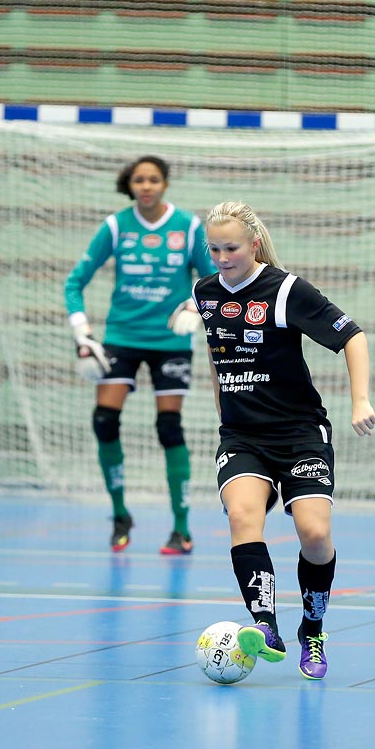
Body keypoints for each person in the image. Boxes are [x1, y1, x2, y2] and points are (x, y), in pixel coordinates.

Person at [193, 201, 375, 681]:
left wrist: (360, 401)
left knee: (315, 536)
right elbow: (217, 357)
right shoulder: (205, 293)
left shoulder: (286, 290)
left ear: (253, 244)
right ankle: (265, 626)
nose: (221, 257)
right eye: (213, 249)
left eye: (230, 247)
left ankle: (311, 629)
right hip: (243, 436)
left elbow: (351, 336)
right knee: (242, 515)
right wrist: (225, 414)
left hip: (299, 434)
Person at [64, 155, 217, 555]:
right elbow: (74, 282)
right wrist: (83, 334)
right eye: (139, 180)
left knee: (169, 428)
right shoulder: (116, 226)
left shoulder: (189, 226)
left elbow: (214, 281)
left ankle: (181, 529)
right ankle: (120, 515)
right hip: (122, 337)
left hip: (169, 342)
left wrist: (193, 307)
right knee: (104, 421)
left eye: (153, 180)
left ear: (165, 184)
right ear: (129, 185)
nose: (146, 186)